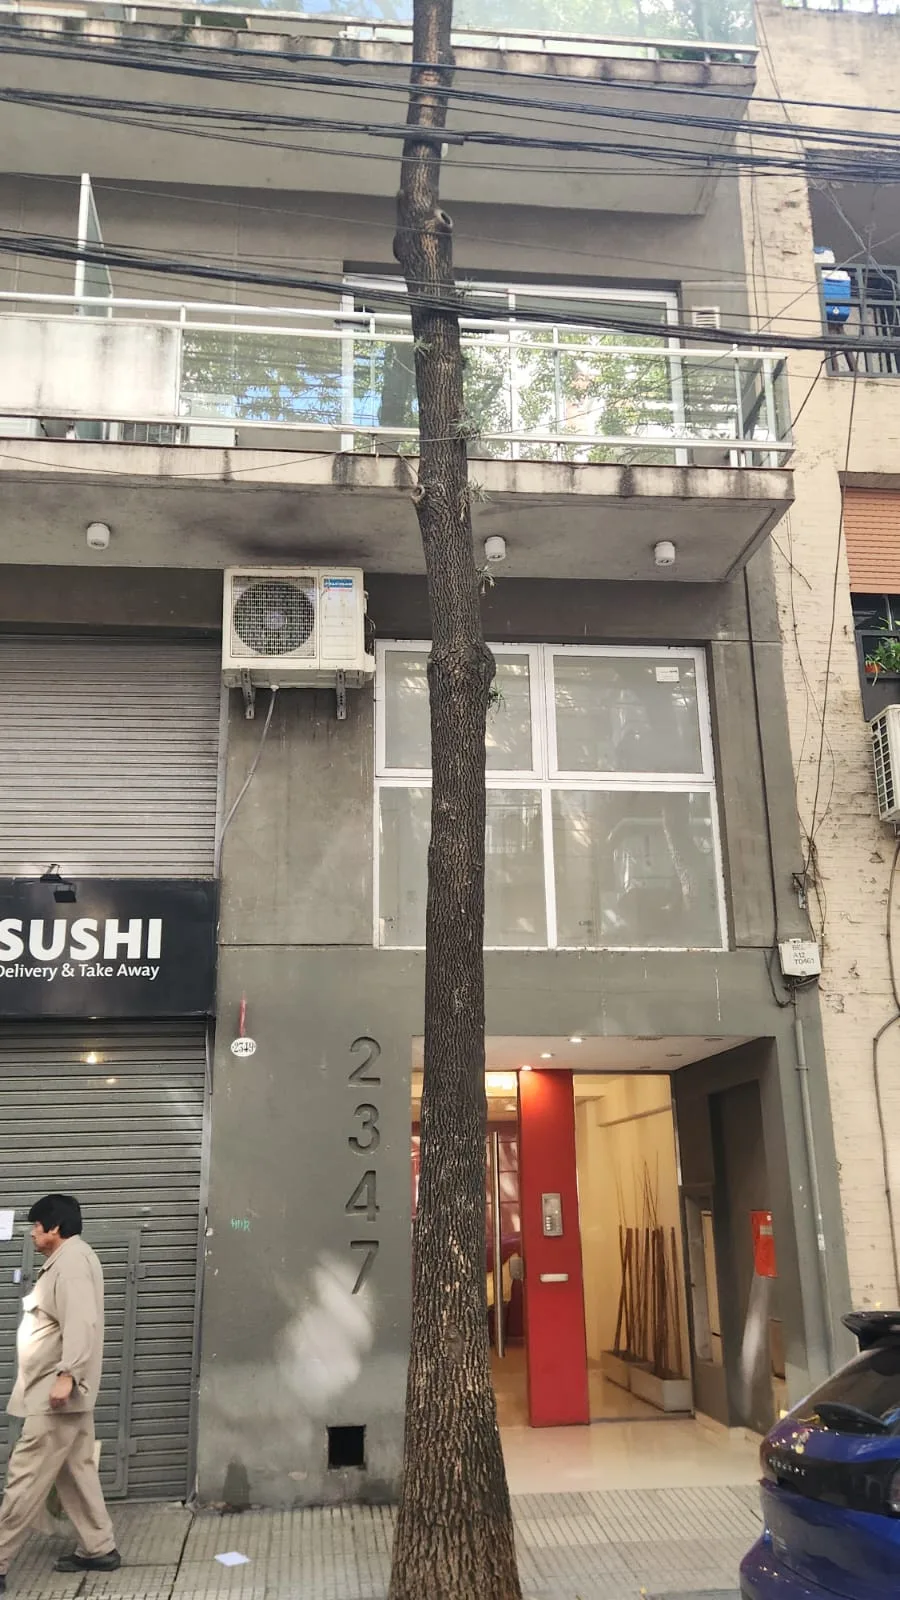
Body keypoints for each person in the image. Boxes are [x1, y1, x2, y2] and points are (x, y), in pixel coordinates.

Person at [0, 1195, 120, 1593]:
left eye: (36, 1226)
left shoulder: (70, 1264)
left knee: (25, 1477)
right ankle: (99, 1547)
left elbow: (81, 1323)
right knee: (75, 1471)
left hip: (55, 1396)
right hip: (59, 1394)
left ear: (54, 1228)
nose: (31, 1234)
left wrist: (67, 1376)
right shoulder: (69, 1260)